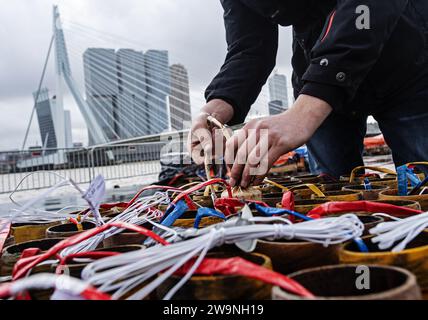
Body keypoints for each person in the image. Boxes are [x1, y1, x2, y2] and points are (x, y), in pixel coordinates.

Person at [188, 0, 428, 188]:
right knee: (331, 192)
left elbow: (367, 7)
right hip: (319, 79)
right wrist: (215, 108)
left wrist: (304, 114)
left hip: (407, 69)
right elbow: (250, 48)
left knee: (423, 181)